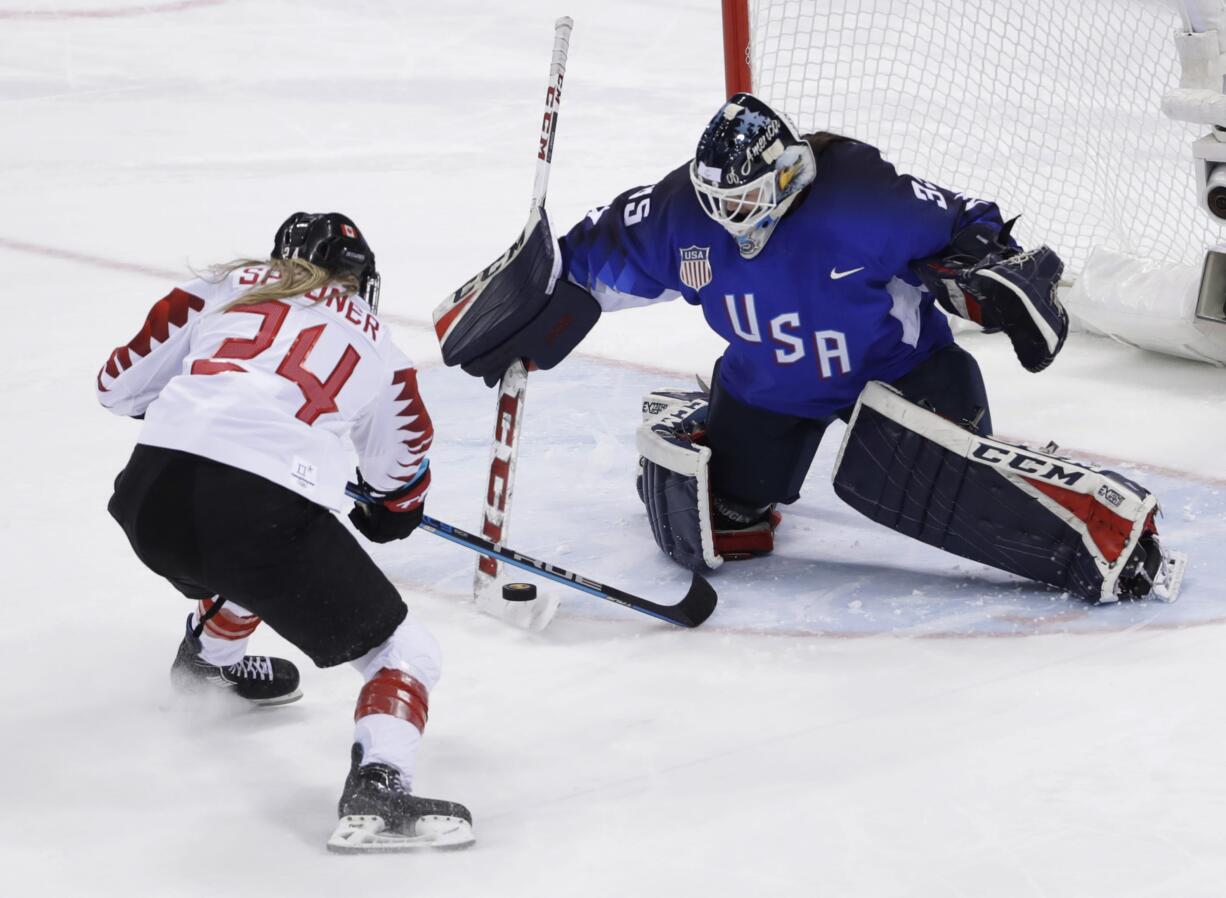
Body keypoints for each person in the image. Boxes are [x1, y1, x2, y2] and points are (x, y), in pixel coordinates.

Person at [434, 93, 1182, 603]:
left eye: (743, 202)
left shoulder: (863, 198)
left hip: (902, 371)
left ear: (787, 174)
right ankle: (701, 422)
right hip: (772, 387)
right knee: (724, 523)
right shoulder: (679, 212)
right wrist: (536, 305)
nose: (729, 219)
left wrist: (990, 267)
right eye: (715, 202)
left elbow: (967, 223)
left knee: (945, 481)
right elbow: (593, 258)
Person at [99, 212, 474, 851]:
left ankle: (208, 666)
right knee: (406, 653)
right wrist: (392, 510)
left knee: (246, 563)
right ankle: (379, 792)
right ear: (362, 280)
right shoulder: (379, 343)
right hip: (255, 515)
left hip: (147, 500)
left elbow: (119, 387)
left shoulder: (225, 286)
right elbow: (397, 471)